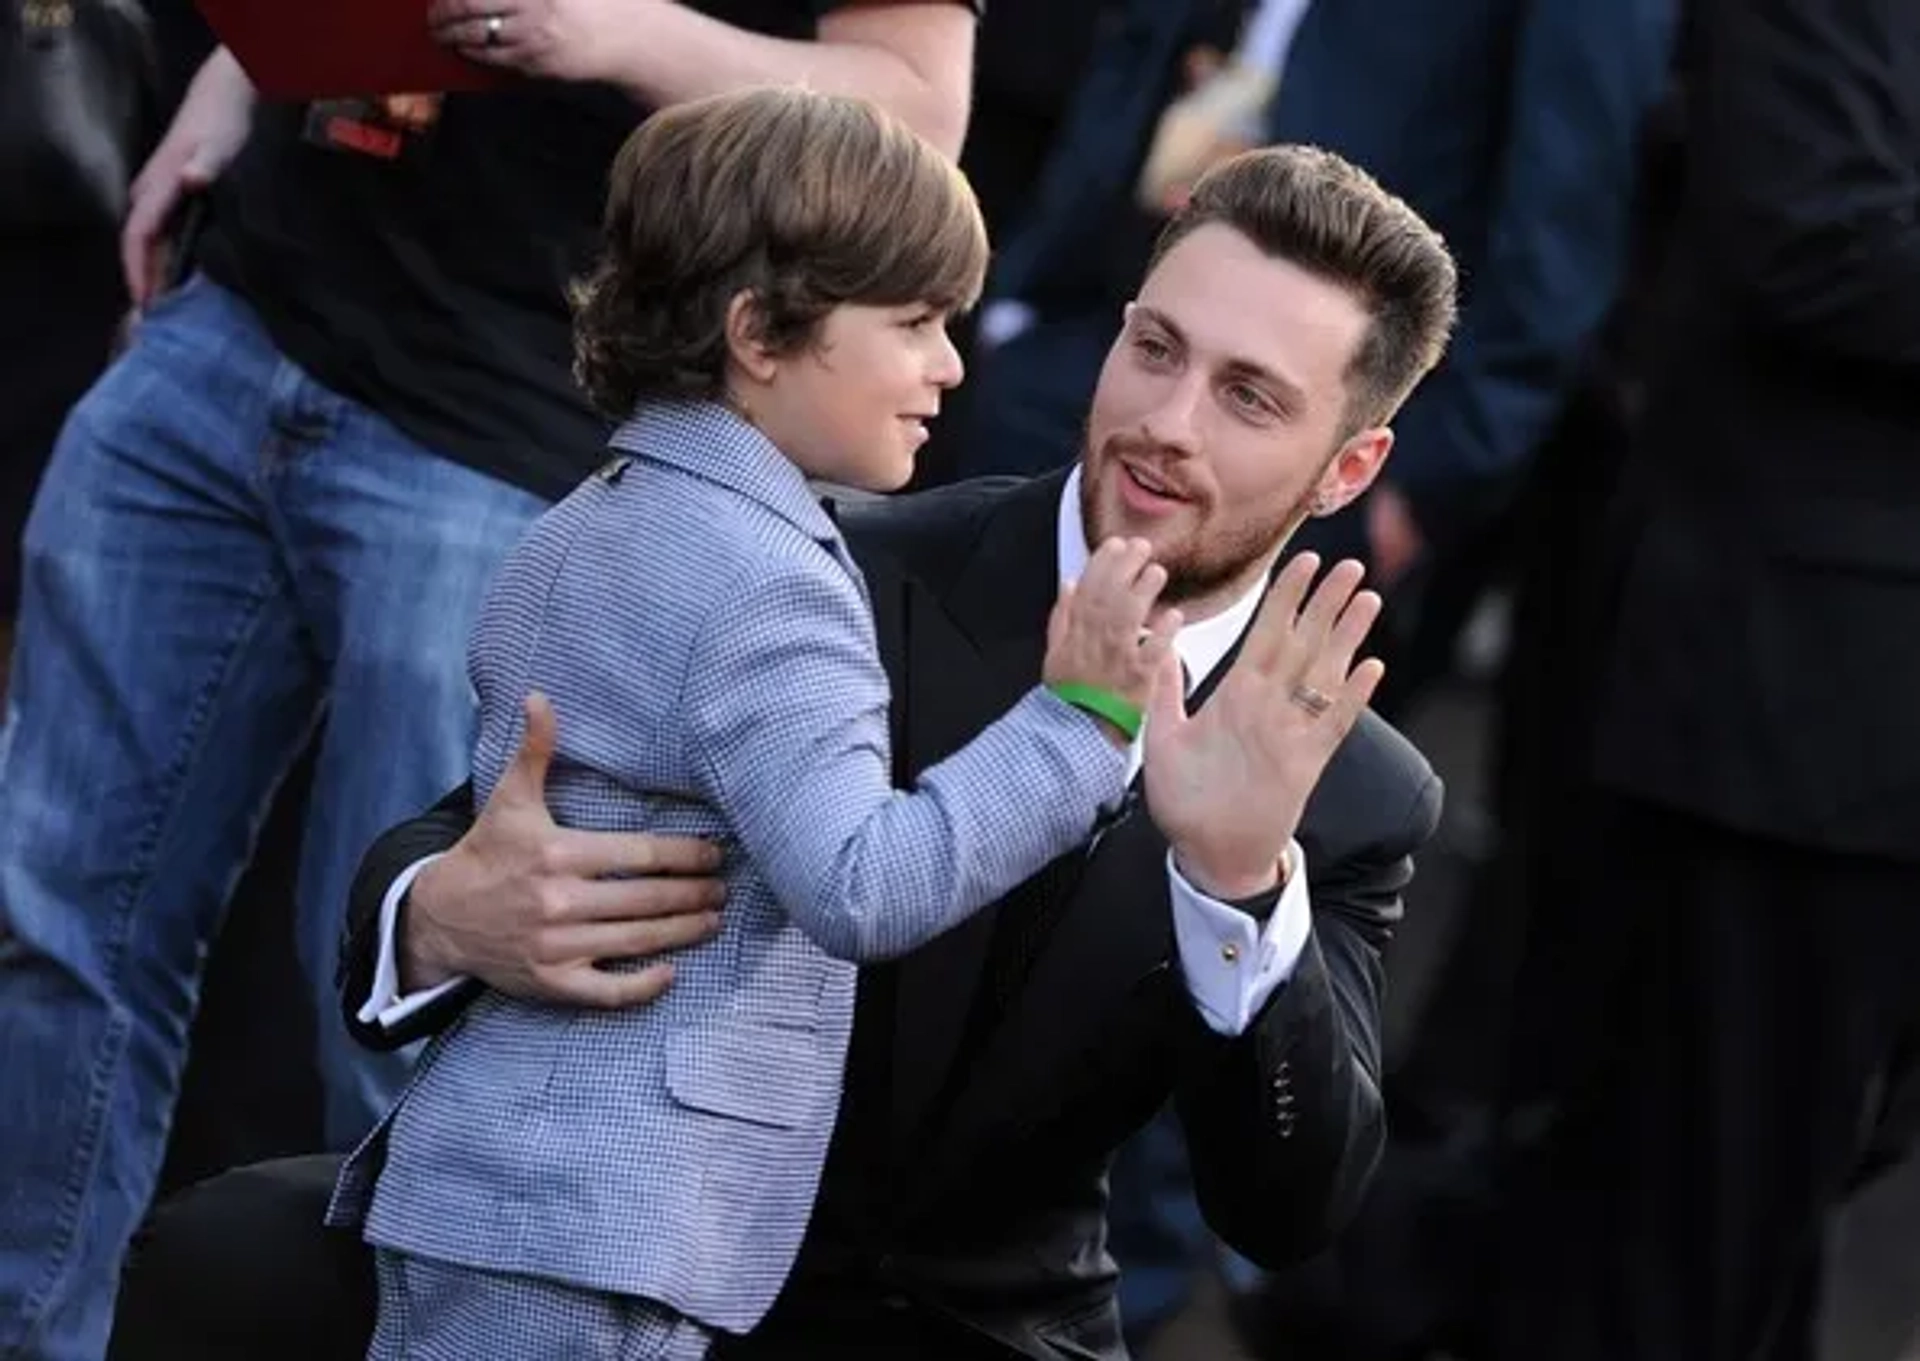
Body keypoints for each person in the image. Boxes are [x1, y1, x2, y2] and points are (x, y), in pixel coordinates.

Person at [110, 143, 1460, 1361]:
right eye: (1154, 350)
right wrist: (446, 914)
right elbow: (462, 817)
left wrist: (1235, 889)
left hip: (973, 1323)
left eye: (1247, 398)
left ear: (1350, 469)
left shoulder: (1353, 789)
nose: (1167, 421)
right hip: (635, 1233)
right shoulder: (837, 564)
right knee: (223, 1264)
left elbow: (1288, 1207)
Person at [0, 4, 979, 1357]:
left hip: (509, 413)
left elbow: (918, 114)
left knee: (423, 1027)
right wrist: (238, 69)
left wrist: (609, 27)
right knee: (52, 927)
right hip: (246, 303)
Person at [337, 84, 1214, 1361]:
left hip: (495, 1189)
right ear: (759, 331)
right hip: (604, 1236)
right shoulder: (772, 574)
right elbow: (861, 881)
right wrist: (1080, 720)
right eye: (914, 322)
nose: (952, 366)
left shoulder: (589, 514)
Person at [1489, 0, 1920, 1358]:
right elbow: (1818, 241)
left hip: (1852, 729)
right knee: (1697, 1210)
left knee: (1779, 1201)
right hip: (1793, 708)